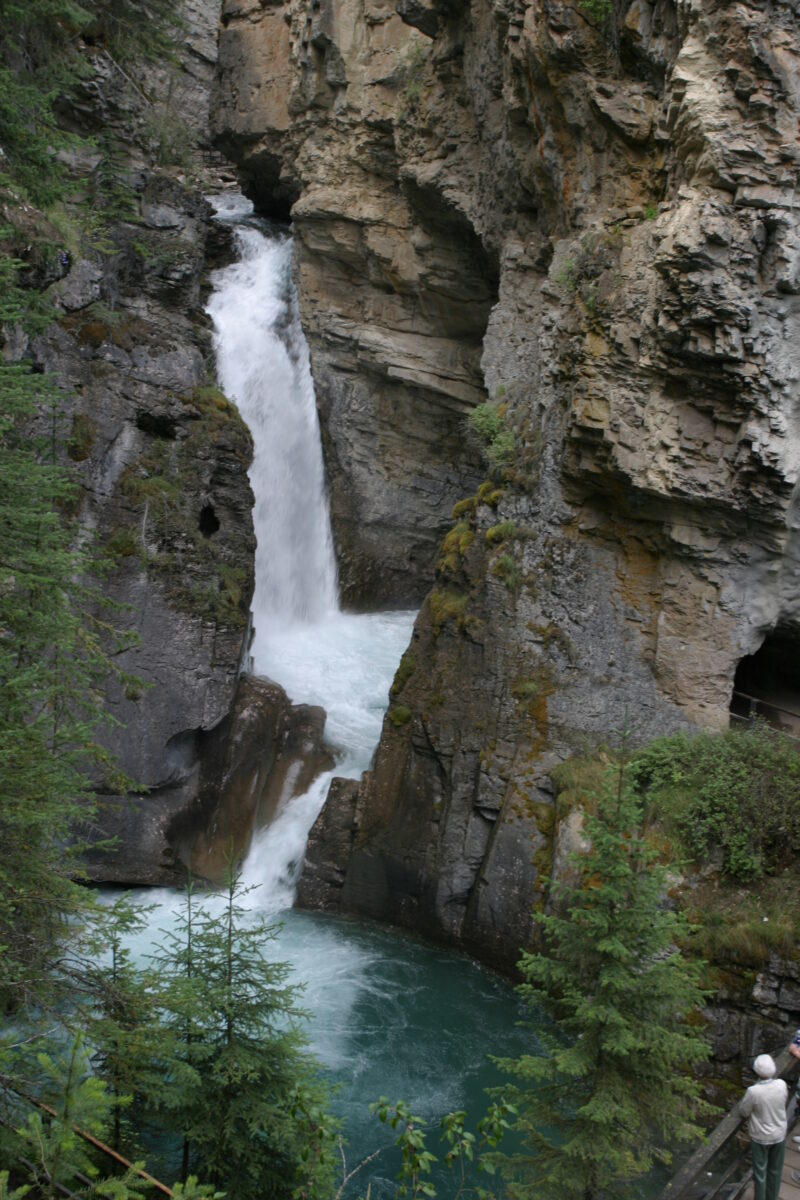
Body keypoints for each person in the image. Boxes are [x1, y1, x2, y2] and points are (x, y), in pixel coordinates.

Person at [740, 1053, 788, 1200]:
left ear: (757, 1071)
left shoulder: (753, 1091)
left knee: (760, 1172)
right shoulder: (781, 1084)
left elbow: (743, 1111)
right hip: (779, 1134)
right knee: (775, 1169)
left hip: (760, 1137)